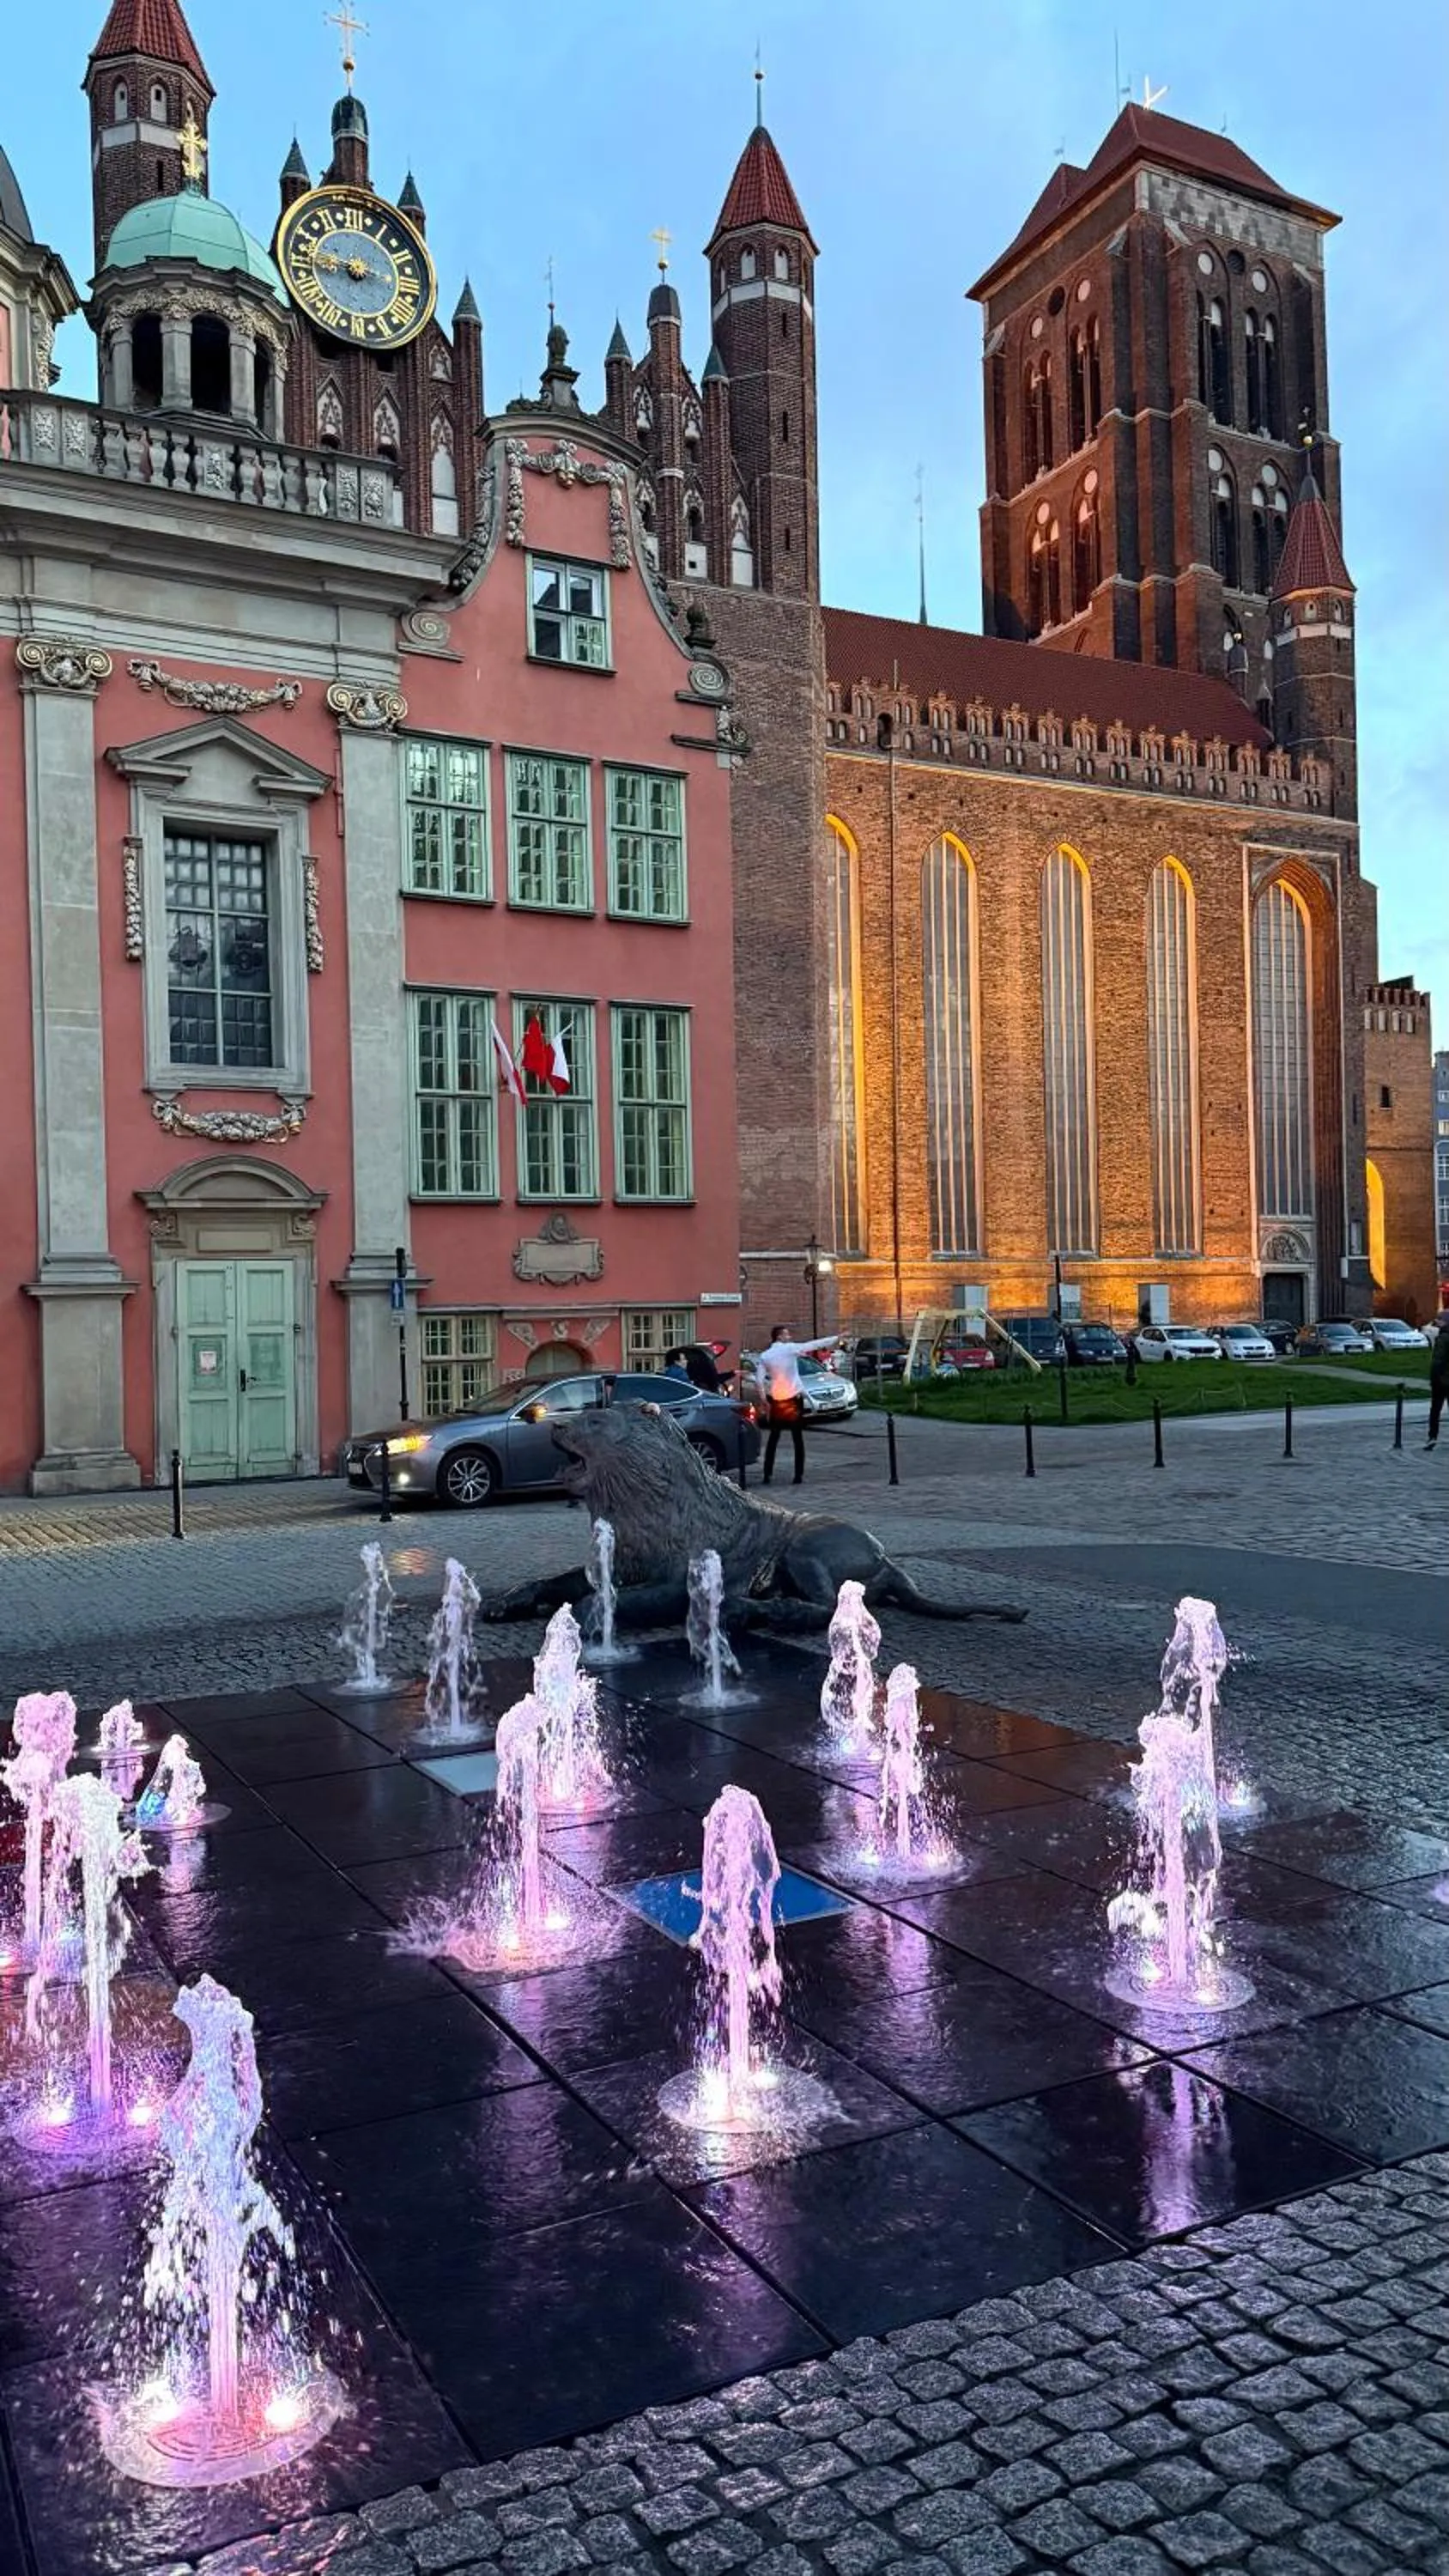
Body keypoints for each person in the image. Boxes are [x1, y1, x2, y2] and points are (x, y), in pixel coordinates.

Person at [755, 1322, 838, 1485]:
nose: (789, 1337)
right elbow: (814, 1344)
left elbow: (759, 1381)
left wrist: (764, 1400)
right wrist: (836, 1338)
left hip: (777, 1400)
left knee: (773, 1438)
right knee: (797, 1438)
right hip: (793, 1399)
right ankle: (798, 1475)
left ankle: (767, 1474)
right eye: (786, 1334)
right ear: (779, 1336)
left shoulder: (765, 1356)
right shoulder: (790, 1349)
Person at [1426, 1314, 1449, 1450]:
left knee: (1435, 1410)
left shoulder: (1443, 1338)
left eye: (1440, 1320)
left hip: (1441, 1380)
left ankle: (1432, 1437)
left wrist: (1434, 1377)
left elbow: (1438, 1361)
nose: (1437, 1323)